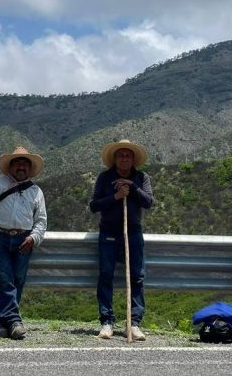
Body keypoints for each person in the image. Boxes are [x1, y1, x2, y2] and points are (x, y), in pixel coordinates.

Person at [0, 147, 48, 340]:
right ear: (10, 166)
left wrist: (33, 238)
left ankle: (1, 324)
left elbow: (41, 221)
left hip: (24, 240)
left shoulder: (36, 191)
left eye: (25, 163)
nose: (21, 166)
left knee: (17, 282)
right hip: (0, 239)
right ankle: (15, 321)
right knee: (6, 281)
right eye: (17, 163)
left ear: (29, 168)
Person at [89, 139, 153, 340]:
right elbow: (93, 205)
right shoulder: (105, 177)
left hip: (132, 233)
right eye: (121, 155)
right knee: (106, 275)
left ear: (133, 159)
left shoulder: (141, 177)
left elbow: (148, 202)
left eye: (128, 155)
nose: (124, 158)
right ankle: (106, 322)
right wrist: (116, 197)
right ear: (115, 159)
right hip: (108, 232)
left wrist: (132, 187)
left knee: (137, 277)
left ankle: (133, 323)